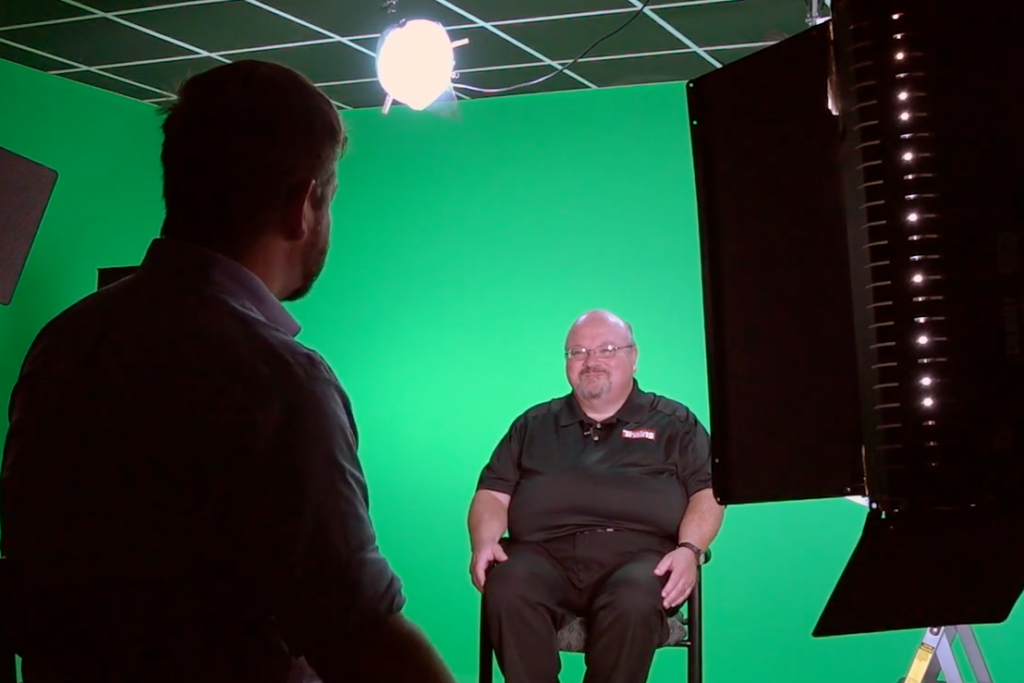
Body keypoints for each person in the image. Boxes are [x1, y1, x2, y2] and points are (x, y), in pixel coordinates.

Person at [0, 60, 455, 683]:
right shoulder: (280, 381)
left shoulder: (63, 343)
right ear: (303, 204)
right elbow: (362, 641)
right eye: (330, 196)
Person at [468, 310, 725, 683]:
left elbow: (709, 493)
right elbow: (492, 492)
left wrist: (690, 550)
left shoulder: (674, 423)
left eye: (606, 349)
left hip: (640, 559)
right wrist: (485, 540)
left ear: (633, 357)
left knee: (635, 601)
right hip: (544, 556)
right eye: (578, 352)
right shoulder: (534, 424)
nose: (591, 362)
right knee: (507, 585)